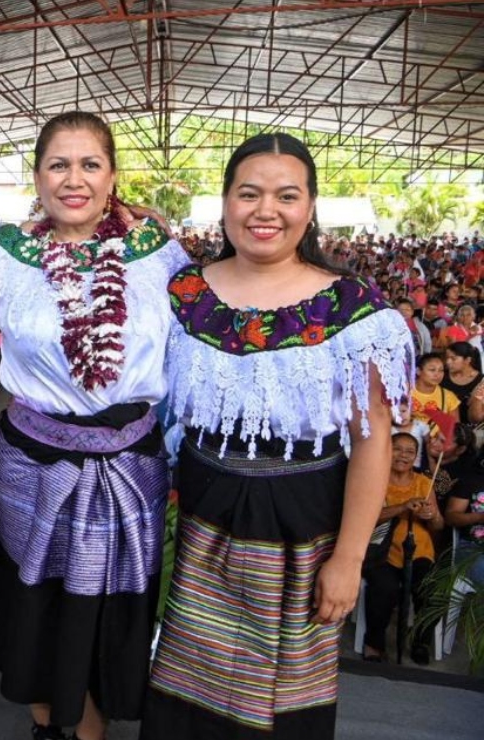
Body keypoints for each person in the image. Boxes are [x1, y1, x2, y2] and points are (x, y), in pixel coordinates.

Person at [142, 133, 411, 740]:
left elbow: (371, 443)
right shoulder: (186, 295)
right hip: (205, 525)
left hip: (303, 531)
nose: (266, 211)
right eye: (249, 194)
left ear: (310, 208)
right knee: (188, 700)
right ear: (225, 202)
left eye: (286, 196)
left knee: (284, 708)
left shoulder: (351, 308)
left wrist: (348, 559)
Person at [0, 111, 188, 740]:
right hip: (33, 463)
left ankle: (90, 725)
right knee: (35, 609)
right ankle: (49, 726)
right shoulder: (4, 253)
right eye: (58, 164)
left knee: (106, 611)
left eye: (90, 164)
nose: (74, 179)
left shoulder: (158, 253)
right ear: (37, 176)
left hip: (130, 461)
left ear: (113, 175)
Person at [362, 433, 445, 663]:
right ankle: (374, 644)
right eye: (398, 449)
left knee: (430, 588)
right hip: (383, 551)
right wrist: (404, 506)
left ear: (416, 457)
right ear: (388, 451)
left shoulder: (424, 483)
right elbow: (368, 516)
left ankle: (420, 641)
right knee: (385, 587)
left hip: (420, 551)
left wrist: (433, 515)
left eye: (410, 452)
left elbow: (438, 525)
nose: (403, 456)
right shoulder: (376, 479)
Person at [441, 341, 484, 423]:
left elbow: (477, 417)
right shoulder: (441, 375)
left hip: (466, 431)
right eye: (447, 358)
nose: (448, 362)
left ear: (467, 360)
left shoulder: (481, 382)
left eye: (453, 359)